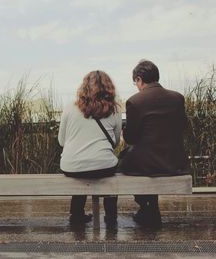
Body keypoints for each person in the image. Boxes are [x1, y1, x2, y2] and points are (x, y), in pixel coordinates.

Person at [118, 60, 189, 227]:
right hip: (174, 161)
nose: (136, 85)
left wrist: (123, 133)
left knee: (124, 161)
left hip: (149, 163)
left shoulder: (135, 101)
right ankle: (151, 208)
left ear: (139, 79)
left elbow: (131, 138)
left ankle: (145, 206)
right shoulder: (177, 98)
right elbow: (183, 126)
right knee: (142, 159)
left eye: (135, 81)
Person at [58, 70, 122, 226]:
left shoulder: (69, 108)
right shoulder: (114, 110)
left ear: (84, 87)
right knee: (109, 170)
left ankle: (76, 214)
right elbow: (115, 142)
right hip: (103, 166)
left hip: (71, 166)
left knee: (81, 170)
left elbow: (61, 141)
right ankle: (111, 216)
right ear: (109, 89)